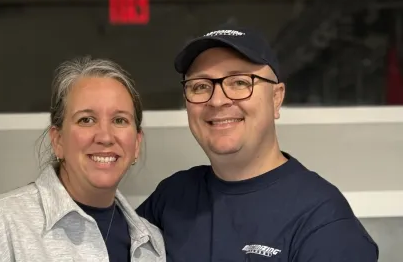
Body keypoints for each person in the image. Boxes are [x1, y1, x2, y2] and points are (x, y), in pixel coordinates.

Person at [136, 27, 378, 261]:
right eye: (200, 86)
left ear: (276, 98)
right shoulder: (172, 198)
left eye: (240, 83)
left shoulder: (323, 221)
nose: (218, 100)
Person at [0, 57, 165, 262]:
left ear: (136, 144)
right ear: (58, 140)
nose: (105, 137)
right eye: (86, 120)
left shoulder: (152, 244)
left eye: (119, 120)